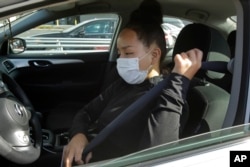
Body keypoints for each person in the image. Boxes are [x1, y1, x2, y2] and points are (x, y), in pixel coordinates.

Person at [62, 0, 203, 166]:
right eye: (119, 53)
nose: (120, 60)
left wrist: (178, 82)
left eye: (128, 52)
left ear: (154, 55)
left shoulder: (169, 97)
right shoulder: (122, 85)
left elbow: (156, 156)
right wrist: (78, 135)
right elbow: (86, 112)